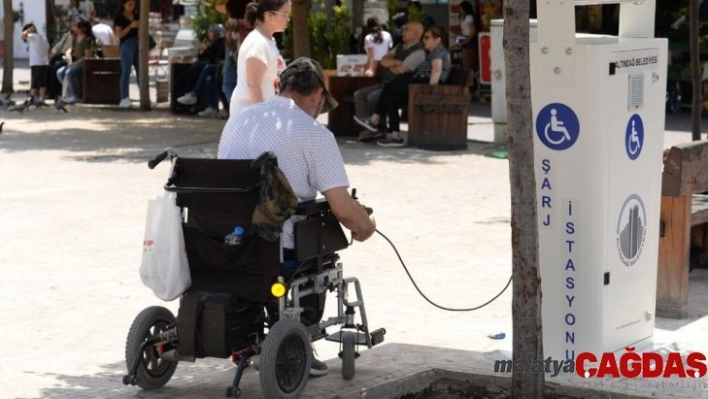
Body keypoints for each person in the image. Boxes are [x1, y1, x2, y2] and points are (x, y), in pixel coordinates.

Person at [218, 57, 376, 376]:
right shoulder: (314, 133)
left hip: (227, 241)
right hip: (280, 248)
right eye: (321, 102)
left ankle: (257, 331)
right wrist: (366, 226)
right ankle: (297, 334)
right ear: (317, 94)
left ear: (279, 87)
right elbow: (343, 207)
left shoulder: (238, 120)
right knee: (320, 245)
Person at [355, 26, 451, 147]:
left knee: (390, 86)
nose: (424, 40)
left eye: (427, 38)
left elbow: (436, 70)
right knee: (392, 100)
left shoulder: (438, 51)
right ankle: (395, 135)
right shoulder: (433, 52)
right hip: (420, 84)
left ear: (438, 39)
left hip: (423, 84)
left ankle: (374, 120)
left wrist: (430, 91)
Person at [353, 21, 425, 141]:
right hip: (386, 83)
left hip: (399, 87)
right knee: (359, 95)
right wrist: (396, 62)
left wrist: (391, 64)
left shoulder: (419, 52)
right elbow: (383, 60)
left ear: (416, 33)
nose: (403, 32)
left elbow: (400, 70)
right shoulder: (400, 46)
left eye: (407, 30)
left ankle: (379, 128)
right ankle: (369, 129)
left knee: (373, 97)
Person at [228, 0, 289, 116]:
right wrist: (262, 118)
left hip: (260, 115)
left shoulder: (267, 41)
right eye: (285, 14)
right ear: (269, 15)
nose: (288, 19)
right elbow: (253, 84)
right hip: (250, 117)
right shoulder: (258, 43)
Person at [175, 24, 226, 116]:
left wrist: (207, 49)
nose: (209, 34)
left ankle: (193, 94)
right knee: (208, 80)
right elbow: (202, 57)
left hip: (221, 67)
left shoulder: (220, 42)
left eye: (211, 32)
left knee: (206, 68)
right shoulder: (213, 43)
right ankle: (211, 107)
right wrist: (202, 50)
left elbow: (212, 58)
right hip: (217, 68)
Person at [56, 18, 96, 104]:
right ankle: (69, 93)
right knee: (60, 72)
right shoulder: (75, 38)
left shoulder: (87, 39)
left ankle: (75, 95)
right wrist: (68, 55)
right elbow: (71, 49)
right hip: (74, 62)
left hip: (83, 63)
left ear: (84, 28)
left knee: (69, 73)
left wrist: (74, 63)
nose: (76, 29)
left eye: (78, 27)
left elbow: (87, 56)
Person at [114, 0, 141, 108]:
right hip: (126, 44)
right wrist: (130, 26)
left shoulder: (136, 14)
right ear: (124, 5)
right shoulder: (120, 17)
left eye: (133, 5)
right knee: (126, 71)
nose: (132, 7)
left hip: (136, 43)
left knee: (140, 70)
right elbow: (119, 35)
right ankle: (124, 97)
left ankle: (143, 95)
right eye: (129, 5)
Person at [21, 23, 50, 106]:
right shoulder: (43, 37)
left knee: (35, 82)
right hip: (44, 62)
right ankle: (41, 98)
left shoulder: (33, 37)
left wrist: (28, 30)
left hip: (36, 63)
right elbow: (48, 49)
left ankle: (32, 98)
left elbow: (23, 35)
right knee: (43, 82)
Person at [454, 0, 478, 72]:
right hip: (464, 37)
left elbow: (473, 31)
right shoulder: (462, 17)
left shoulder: (469, 17)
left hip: (469, 39)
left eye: (461, 8)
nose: (460, 10)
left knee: (468, 59)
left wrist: (467, 40)